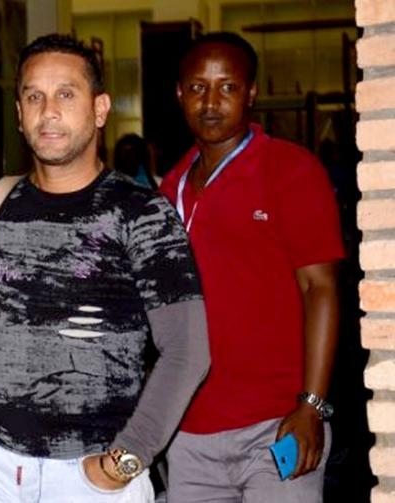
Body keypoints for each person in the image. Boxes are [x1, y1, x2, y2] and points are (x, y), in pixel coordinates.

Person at [0, 33, 210, 503]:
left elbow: (188, 350)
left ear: (100, 108)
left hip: (96, 476)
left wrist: (123, 463)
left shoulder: (141, 212)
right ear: (20, 114)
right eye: (33, 96)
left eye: (66, 94)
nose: (49, 111)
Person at [160, 32, 344, 501]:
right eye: (198, 87)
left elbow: (320, 289)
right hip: (189, 433)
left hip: (278, 424)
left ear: (252, 94)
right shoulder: (170, 189)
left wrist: (312, 406)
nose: (212, 101)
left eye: (228, 87)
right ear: (180, 94)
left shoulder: (291, 170)